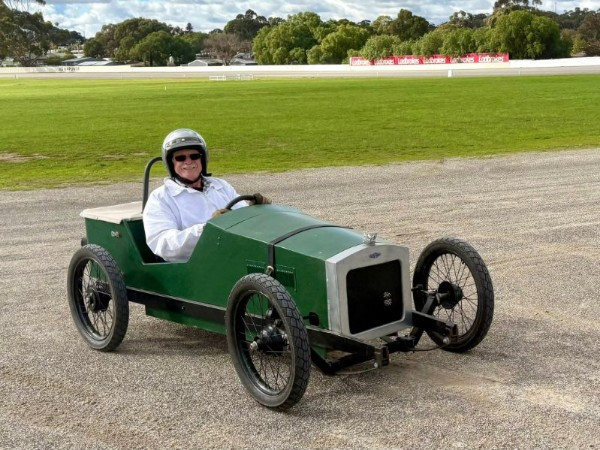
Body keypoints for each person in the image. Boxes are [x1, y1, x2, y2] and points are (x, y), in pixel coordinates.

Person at [143, 128, 269, 262]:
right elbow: (165, 246)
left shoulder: (220, 186)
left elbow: (244, 224)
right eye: (180, 158)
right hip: (193, 266)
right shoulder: (160, 198)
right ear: (171, 163)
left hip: (232, 256)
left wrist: (256, 211)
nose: (188, 162)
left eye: (194, 156)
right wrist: (208, 229)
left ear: (202, 159)